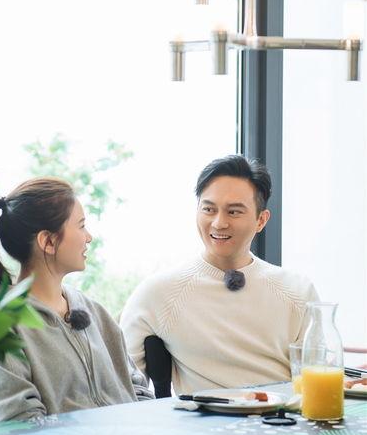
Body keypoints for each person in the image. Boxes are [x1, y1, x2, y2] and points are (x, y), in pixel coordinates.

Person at [120, 155, 318, 395]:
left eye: (233, 212)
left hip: (285, 415)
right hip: (204, 418)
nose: (218, 223)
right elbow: (121, 387)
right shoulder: (158, 293)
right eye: (208, 209)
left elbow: (317, 382)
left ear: (261, 220)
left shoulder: (298, 291)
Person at [0, 177, 153, 424]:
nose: (89, 237)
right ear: (48, 241)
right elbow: (15, 426)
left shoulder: (92, 311)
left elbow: (136, 389)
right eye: (81, 226)